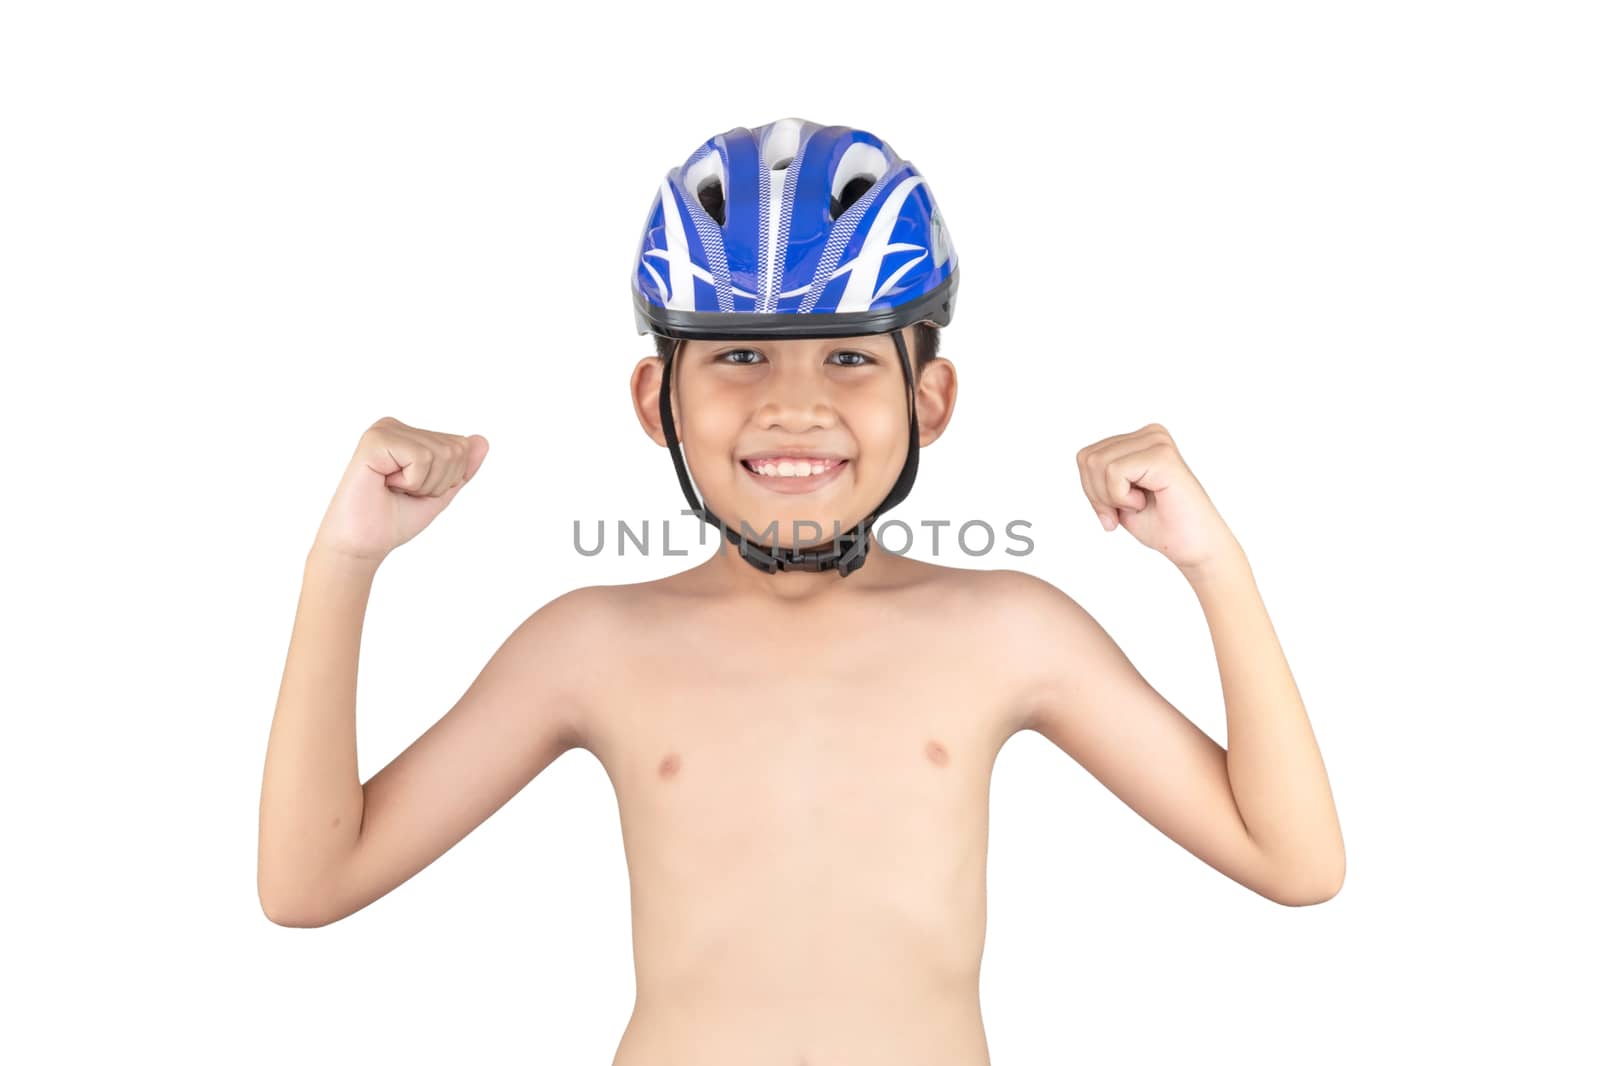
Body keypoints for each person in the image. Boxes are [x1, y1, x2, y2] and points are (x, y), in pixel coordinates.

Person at [257, 116, 1344, 1065]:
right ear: (656, 398)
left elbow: (1292, 861)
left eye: (847, 361)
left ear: (931, 396)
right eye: (737, 356)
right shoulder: (591, 645)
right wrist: (344, 563)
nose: (793, 406)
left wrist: (1214, 565)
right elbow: (309, 884)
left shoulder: (1008, 631)